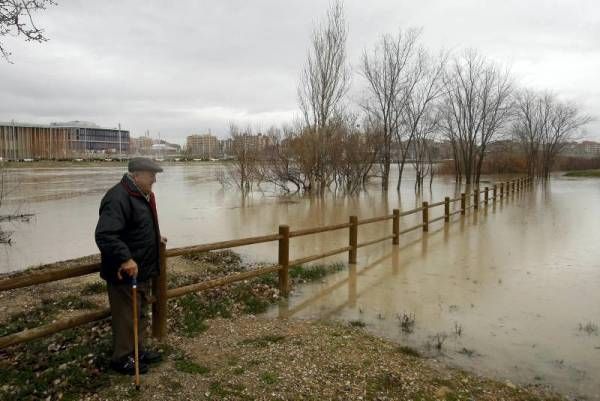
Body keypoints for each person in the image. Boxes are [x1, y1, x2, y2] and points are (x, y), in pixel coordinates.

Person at [95, 157, 166, 375]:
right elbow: (105, 235)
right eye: (151, 175)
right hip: (124, 272)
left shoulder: (142, 195)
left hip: (141, 269)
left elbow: (138, 228)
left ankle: (137, 351)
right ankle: (122, 358)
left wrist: (156, 239)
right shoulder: (118, 197)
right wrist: (125, 258)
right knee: (126, 316)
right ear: (136, 175)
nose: (154, 180)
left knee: (140, 313)